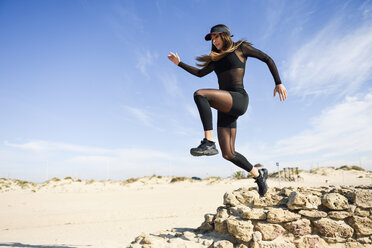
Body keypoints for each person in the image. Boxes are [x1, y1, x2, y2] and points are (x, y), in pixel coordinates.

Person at [168, 24, 287, 196]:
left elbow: (267, 59)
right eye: (212, 39)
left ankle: (208, 142)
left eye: (216, 37)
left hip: (238, 99)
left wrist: (278, 82)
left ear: (225, 36)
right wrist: (179, 63)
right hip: (226, 106)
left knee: (200, 94)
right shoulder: (216, 59)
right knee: (228, 153)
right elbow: (200, 73)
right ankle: (258, 175)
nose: (214, 41)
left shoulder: (241, 48)